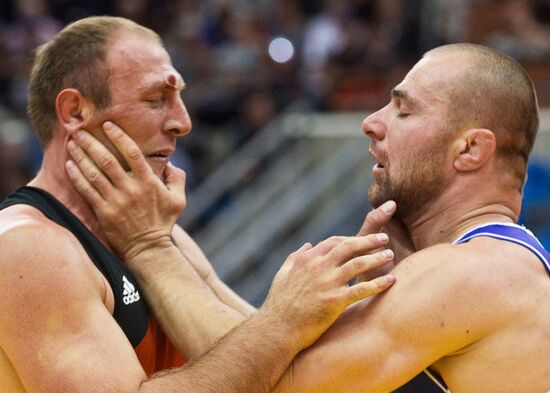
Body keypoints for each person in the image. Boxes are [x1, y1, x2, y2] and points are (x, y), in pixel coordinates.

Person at [69, 42, 550, 392]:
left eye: (403, 112)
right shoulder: (496, 263)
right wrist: (171, 242)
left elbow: (265, 382)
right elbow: (270, 351)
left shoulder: (468, 274)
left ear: (469, 149)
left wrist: (148, 246)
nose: (372, 121)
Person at [0, 16, 397, 393]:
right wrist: (284, 320)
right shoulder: (29, 249)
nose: (183, 122)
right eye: (157, 98)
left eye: (178, 98)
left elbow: (272, 368)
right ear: (74, 112)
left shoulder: (157, 234)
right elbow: (265, 344)